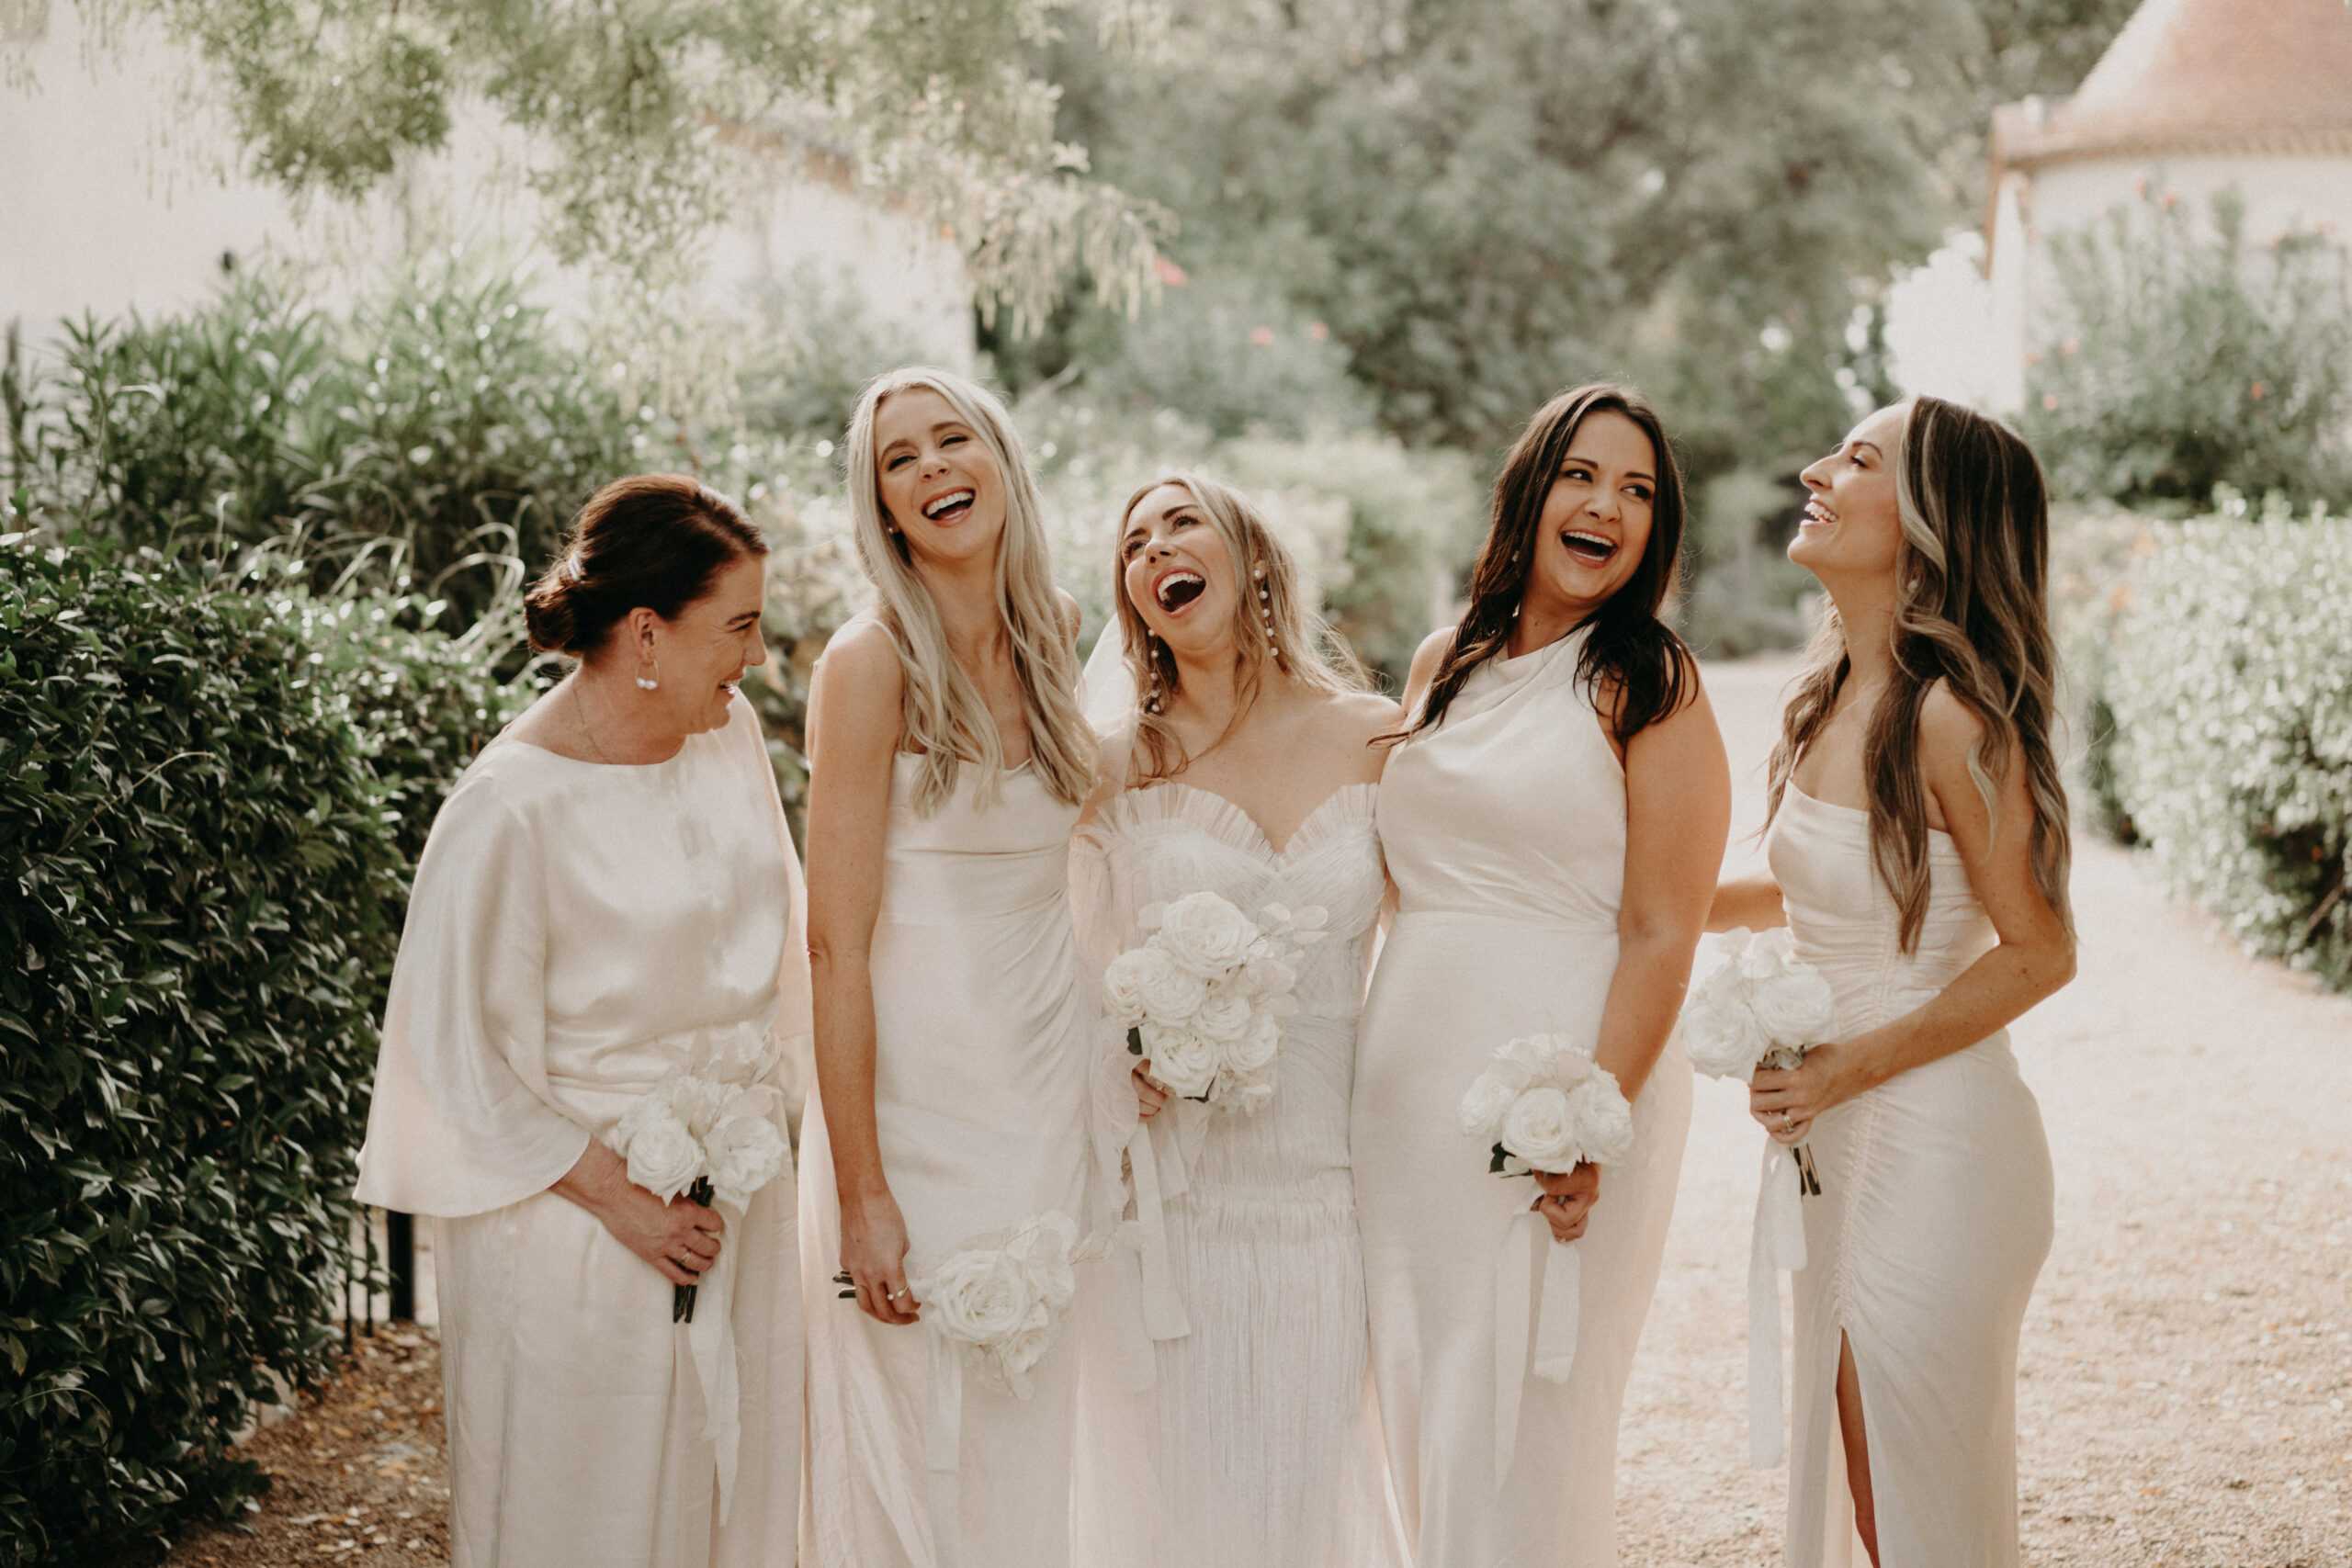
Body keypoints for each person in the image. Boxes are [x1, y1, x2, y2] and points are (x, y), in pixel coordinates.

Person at [356, 474, 808, 1568]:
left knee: (733, 1498)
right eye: (738, 627)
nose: (757, 657)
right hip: (579, 1226)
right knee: (588, 1514)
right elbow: (451, 1055)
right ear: (647, 631)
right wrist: (625, 1201)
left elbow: (787, 942)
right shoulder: (510, 805)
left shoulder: (729, 735)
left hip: (736, 1195)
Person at [1353, 384, 1728, 1565]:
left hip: (1556, 1085)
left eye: (1636, 491)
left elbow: (1663, 928)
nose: (1605, 506)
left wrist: (1587, 1118)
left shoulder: (1648, 681)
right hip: (1403, 1089)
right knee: (1417, 1397)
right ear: (1530, 490)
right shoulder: (1445, 662)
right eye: (1581, 475)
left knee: (1524, 1413)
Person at [1711, 396, 2075, 1566]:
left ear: (1928, 521)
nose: (1815, 470)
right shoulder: (1828, 695)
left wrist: (1845, 1068)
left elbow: (2040, 949)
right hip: (1836, 1138)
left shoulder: (1952, 717)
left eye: (1858, 458)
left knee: (1921, 1506)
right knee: (1876, 1502)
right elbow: (1816, 889)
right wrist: (1619, 903)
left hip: (1933, 1145)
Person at [1069, 473, 1404, 1568]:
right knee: (1187, 1493)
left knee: (1309, 1484)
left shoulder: (1373, 736)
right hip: (1182, 1196)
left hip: (1333, 1189)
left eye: (1181, 524)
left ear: (1250, 555)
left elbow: (1442, 927)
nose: (1155, 549)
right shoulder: (1114, 763)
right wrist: (1115, 1052)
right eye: (1133, 543)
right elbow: (1061, 957)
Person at [796, 367, 1095, 1568]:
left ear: (1000, 456)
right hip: (915, 1110)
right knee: (922, 1436)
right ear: (882, 506)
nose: (932, 470)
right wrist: (862, 1192)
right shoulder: (867, 663)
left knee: (1031, 1428)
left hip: (1046, 1092)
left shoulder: (1059, 627)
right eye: (899, 460)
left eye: (951, 439)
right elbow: (832, 942)